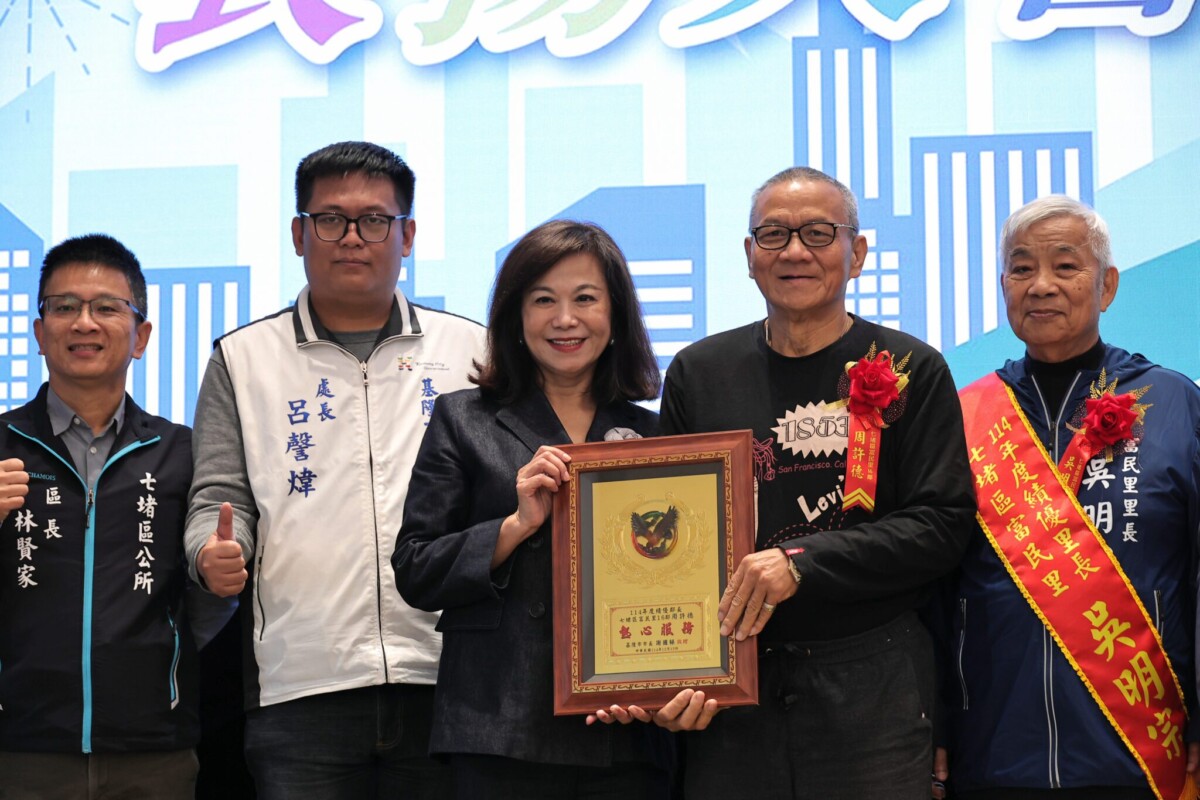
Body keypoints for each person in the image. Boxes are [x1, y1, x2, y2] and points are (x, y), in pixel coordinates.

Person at [614, 167, 977, 799]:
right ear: (749, 255)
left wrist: (800, 562)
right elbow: (674, 538)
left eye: (818, 233)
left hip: (874, 682)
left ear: (857, 253)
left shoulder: (912, 367)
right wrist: (664, 676)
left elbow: (942, 526)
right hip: (734, 688)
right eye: (774, 234)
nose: (794, 251)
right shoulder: (700, 373)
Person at [186, 141, 486, 799]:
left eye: (374, 220)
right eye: (330, 219)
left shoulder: (471, 349)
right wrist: (211, 552)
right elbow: (218, 494)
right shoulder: (241, 358)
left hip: (448, 675)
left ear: (408, 235)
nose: (352, 237)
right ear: (299, 234)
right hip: (301, 686)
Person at [391, 220, 672, 798]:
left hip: (625, 727)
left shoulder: (657, 433)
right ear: (515, 318)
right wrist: (515, 527)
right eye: (543, 300)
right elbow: (416, 569)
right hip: (499, 723)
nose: (565, 318)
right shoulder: (462, 419)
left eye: (585, 299)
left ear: (616, 315)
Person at [939, 195, 1200, 799]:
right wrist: (937, 724)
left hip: (1142, 751)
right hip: (994, 750)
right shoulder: (965, 416)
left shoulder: (1173, 403)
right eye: (1021, 268)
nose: (1041, 286)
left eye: (1065, 266)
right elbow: (937, 589)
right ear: (1003, 286)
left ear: (1106, 285)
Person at [0, 234, 231, 798]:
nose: (84, 323)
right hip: (19, 744)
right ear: (39, 333)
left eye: (106, 307)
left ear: (141, 336)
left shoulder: (182, 453)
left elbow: (203, 605)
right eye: (64, 307)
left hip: (153, 747)